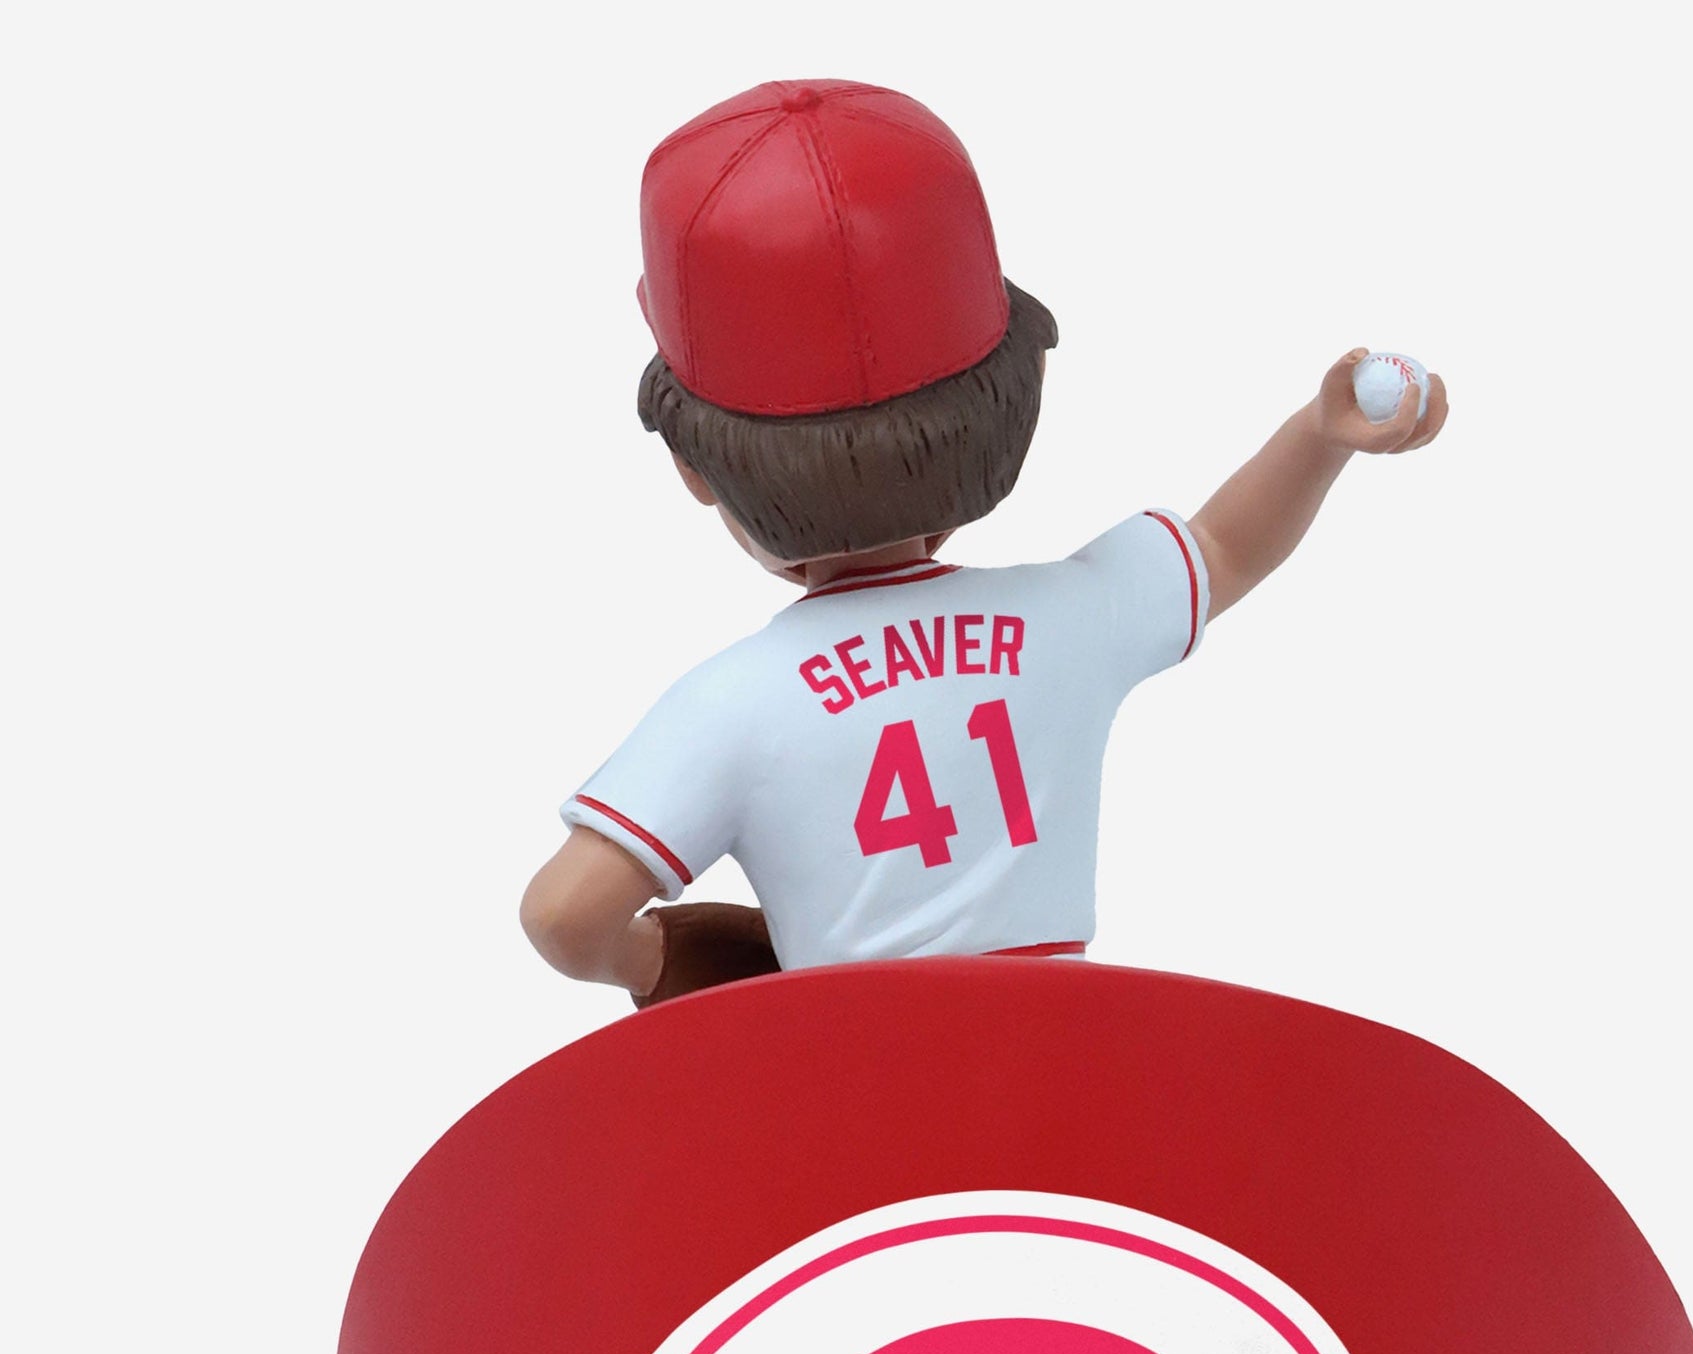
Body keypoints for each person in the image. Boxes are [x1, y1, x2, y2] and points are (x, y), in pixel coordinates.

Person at [521, 80, 1446, 1008]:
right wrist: (1320, 435)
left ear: (694, 465)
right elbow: (1224, 546)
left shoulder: (730, 701)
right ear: (1017, 393)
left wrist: (663, 960)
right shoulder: (1066, 618)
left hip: (844, 1069)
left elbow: (564, 916)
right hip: (1062, 1052)